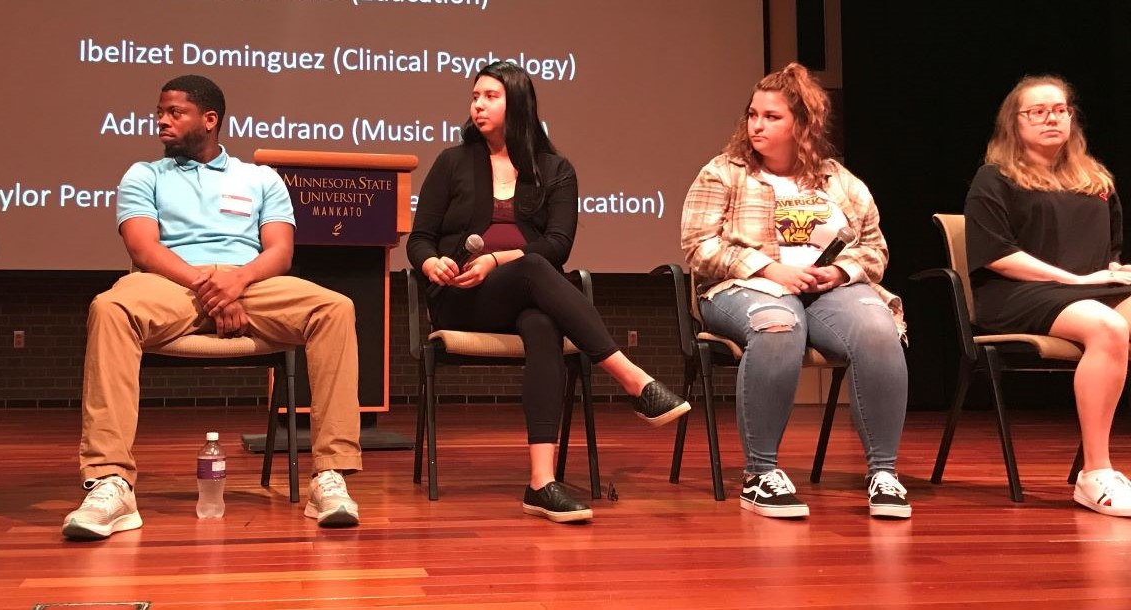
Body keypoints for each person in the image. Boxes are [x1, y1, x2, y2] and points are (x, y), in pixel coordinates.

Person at [63, 75, 362, 539]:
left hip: (249, 283)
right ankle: (111, 481)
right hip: (173, 282)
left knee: (334, 308)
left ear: (210, 119)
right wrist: (209, 286)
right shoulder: (144, 175)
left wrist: (237, 281)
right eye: (159, 112)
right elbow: (144, 249)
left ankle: (331, 475)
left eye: (173, 112)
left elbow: (280, 252)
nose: (161, 121)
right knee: (111, 308)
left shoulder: (260, 178)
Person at [407, 61, 690, 524]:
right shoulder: (451, 162)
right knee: (534, 267)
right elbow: (420, 238)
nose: (478, 104)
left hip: (521, 298)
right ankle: (633, 380)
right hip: (461, 298)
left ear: (517, 103)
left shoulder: (555, 170)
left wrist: (499, 259)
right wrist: (430, 261)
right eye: (475, 96)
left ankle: (540, 482)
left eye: (490, 96)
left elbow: (558, 244)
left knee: (542, 324)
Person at [680, 63, 909, 520]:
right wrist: (769, 268)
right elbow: (697, 246)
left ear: (803, 125)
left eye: (771, 117)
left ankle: (883, 472)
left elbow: (874, 248)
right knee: (779, 322)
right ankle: (760, 473)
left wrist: (840, 273)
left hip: (824, 291)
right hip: (741, 286)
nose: (756, 125)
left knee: (879, 329)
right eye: (752, 115)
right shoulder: (724, 173)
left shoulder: (838, 182)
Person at [964, 75, 1131, 517]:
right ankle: (1095, 473)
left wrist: (1113, 273)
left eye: (1059, 109)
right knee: (1108, 325)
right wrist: (1070, 281)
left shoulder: (1096, 179)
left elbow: (1108, 252)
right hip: (1017, 294)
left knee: (1112, 320)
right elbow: (998, 256)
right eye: (1036, 112)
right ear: (1013, 124)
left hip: (1088, 291)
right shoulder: (994, 178)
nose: (1050, 118)